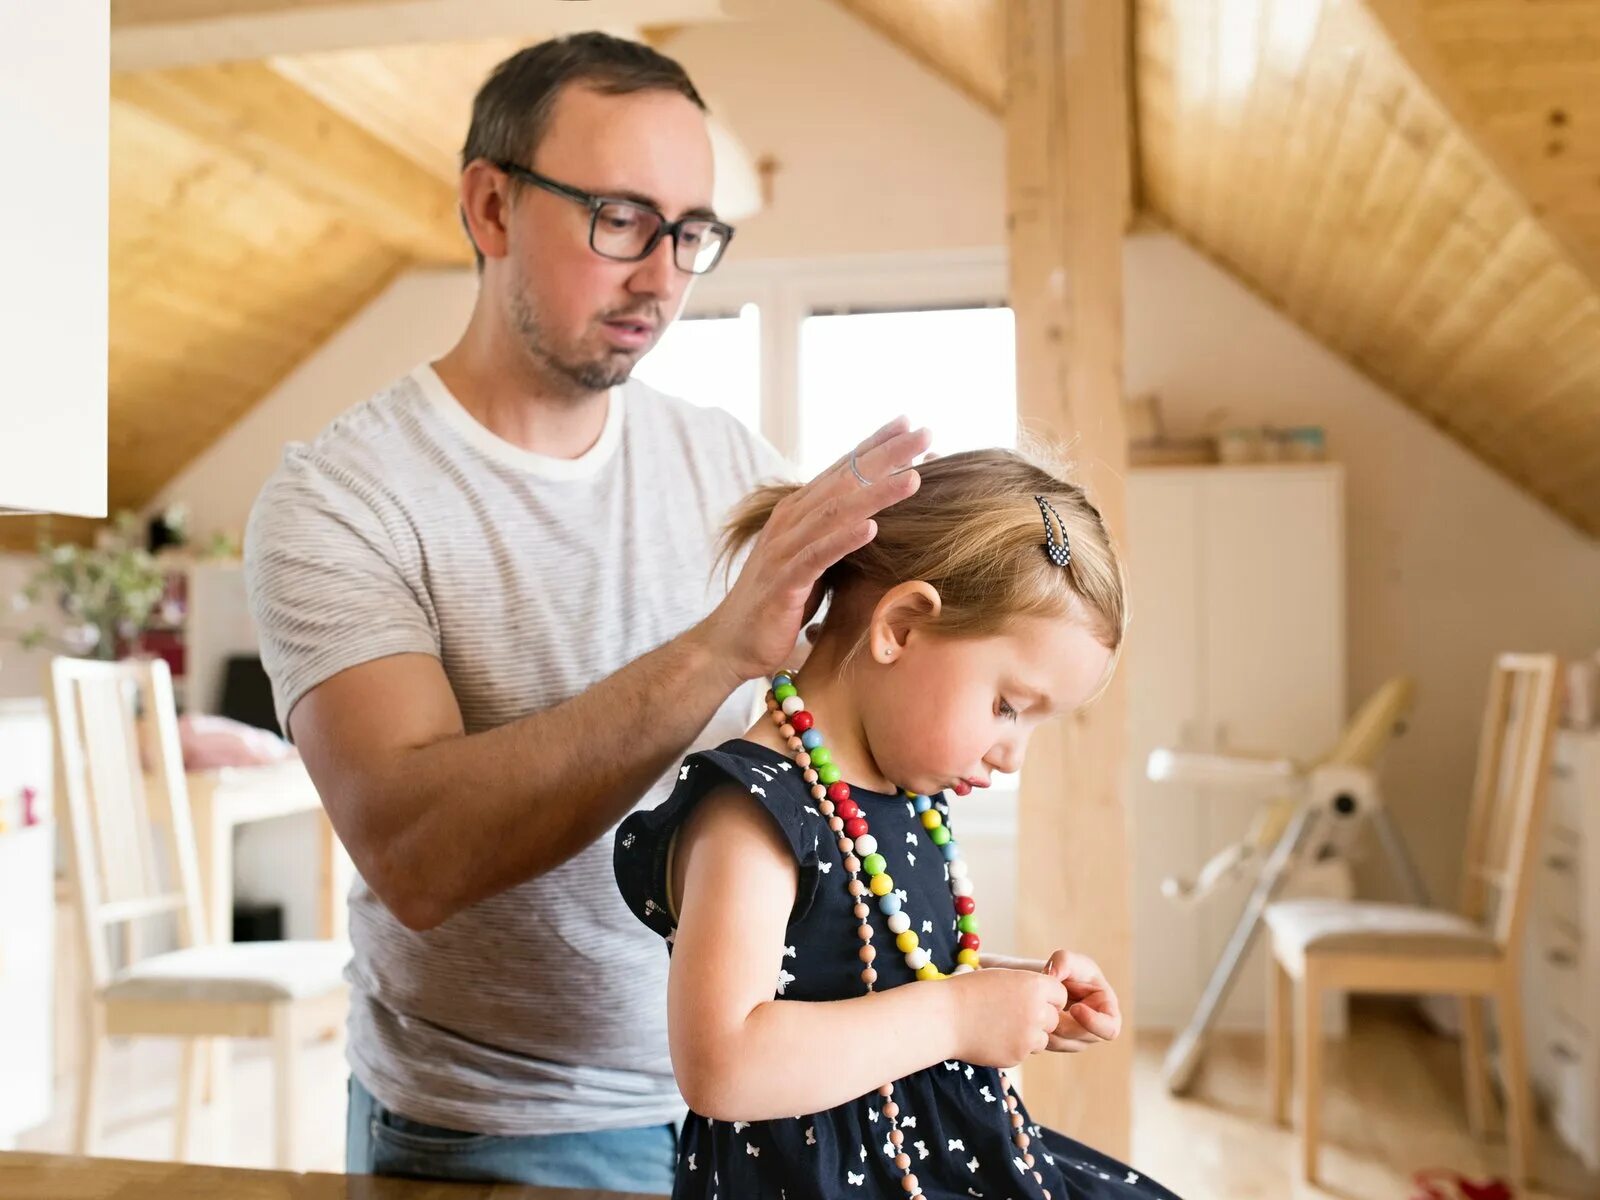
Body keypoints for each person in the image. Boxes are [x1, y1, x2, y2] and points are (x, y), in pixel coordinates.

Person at [244, 30, 933, 1192]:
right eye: (620, 218)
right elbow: (415, 854)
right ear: (491, 207)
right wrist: (718, 648)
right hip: (500, 1133)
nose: (662, 274)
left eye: (691, 233)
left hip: (753, 1092)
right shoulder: (341, 498)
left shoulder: (725, 463)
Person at [614, 448, 1180, 1199]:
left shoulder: (905, 791)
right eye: (1008, 707)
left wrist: (1018, 997)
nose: (1013, 755)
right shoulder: (753, 814)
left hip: (927, 1159)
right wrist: (955, 1016)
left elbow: (872, 974)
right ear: (903, 626)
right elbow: (721, 1066)